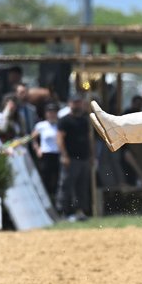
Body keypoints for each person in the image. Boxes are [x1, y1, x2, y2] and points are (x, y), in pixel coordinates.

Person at [57, 94, 92, 222]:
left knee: (82, 187)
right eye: (74, 102)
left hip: (83, 158)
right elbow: (60, 138)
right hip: (70, 158)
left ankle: (80, 211)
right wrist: (64, 155)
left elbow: (89, 139)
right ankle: (63, 212)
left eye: (79, 102)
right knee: (66, 185)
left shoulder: (85, 120)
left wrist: (91, 155)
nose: (77, 105)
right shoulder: (64, 120)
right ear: (69, 103)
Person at [31, 103, 61, 204]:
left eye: (53, 112)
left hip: (57, 154)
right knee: (45, 179)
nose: (51, 114)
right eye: (49, 112)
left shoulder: (59, 124)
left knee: (57, 178)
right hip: (46, 154)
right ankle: (45, 201)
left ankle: (56, 200)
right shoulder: (41, 125)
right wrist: (37, 149)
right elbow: (33, 138)